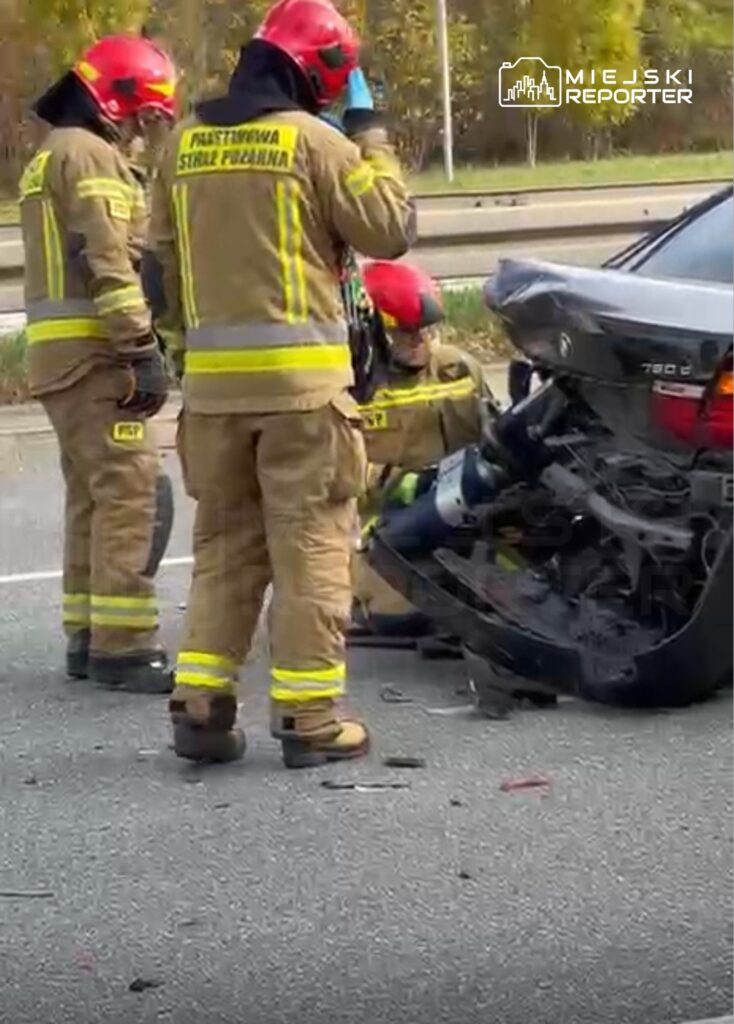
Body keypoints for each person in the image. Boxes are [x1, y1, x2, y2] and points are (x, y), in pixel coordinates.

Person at [150, 0, 415, 767]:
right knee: (311, 550)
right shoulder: (314, 142)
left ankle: (200, 705)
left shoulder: (182, 143)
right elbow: (389, 228)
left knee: (227, 550)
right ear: (320, 73)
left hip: (213, 398)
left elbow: (158, 264)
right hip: (304, 396)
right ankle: (309, 720)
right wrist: (372, 138)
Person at [19, 35, 177, 693]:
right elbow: (109, 260)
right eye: (141, 119)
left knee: (92, 497)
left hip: (61, 359)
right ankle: (124, 645)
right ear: (118, 102)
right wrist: (141, 349)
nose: (139, 136)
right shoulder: (88, 155)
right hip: (96, 356)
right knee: (129, 494)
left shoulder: (50, 154)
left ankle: (87, 635)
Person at [350, 260, 499, 642]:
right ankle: (361, 593)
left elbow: (492, 433)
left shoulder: (459, 369)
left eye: (425, 330)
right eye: (404, 333)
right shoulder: (355, 386)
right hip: (390, 526)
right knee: (402, 620)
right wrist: (408, 481)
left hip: (467, 514)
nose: (420, 341)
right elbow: (340, 475)